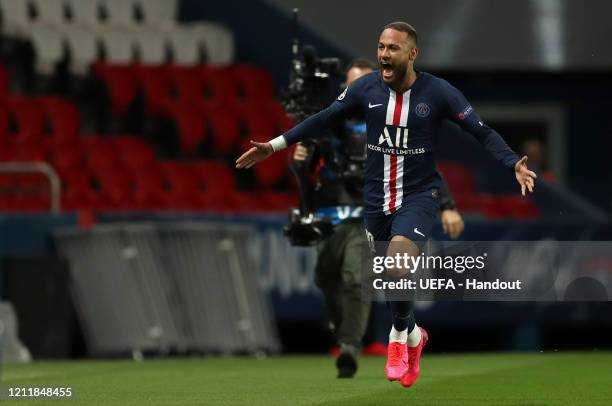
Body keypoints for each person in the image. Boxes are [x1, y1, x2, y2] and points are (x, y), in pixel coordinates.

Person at [237, 22, 536, 388]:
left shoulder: (438, 93)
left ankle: (397, 339)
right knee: (392, 280)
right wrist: (274, 145)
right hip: (376, 200)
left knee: (397, 266)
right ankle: (413, 335)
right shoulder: (365, 88)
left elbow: (481, 131)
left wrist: (512, 163)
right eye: (380, 46)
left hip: (418, 197)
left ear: (412, 54)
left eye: (392, 48)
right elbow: (324, 118)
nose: (383, 54)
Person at [292, 58, 465, 378]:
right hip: (330, 213)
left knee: (357, 278)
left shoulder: (392, 121)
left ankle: (350, 345)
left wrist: (447, 204)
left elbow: (423, 168)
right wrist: (300, 161)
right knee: (327, 277)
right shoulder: (332, 121)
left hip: (370, 213)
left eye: (362, 82)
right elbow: (306, 167)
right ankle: (362, 335)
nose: (355, 89)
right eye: (350, 83)